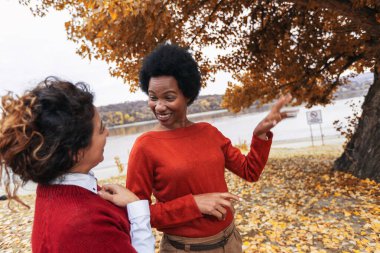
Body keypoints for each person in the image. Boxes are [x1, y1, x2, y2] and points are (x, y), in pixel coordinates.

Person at [111, 44, 292, 252]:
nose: (159, 106)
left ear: (187, 94)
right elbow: (137, 213)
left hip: (231, 241)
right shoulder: (145, 146)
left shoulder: (209, 132)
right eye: (153, 97)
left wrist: (260, 134)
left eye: (169, 97)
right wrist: (194, 204)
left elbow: (250, 171)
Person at [0, 77, 155, 253]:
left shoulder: (55, 192)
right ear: (75, 153)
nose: (107, 133)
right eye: (101, 128)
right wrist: (137, 208)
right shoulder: (84, 225)